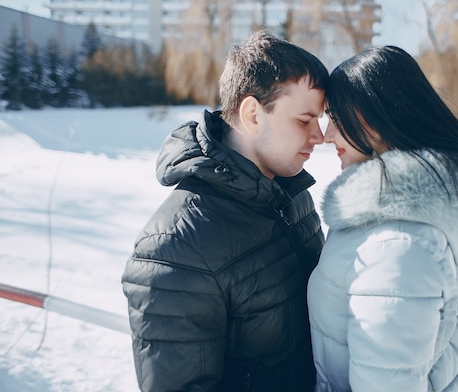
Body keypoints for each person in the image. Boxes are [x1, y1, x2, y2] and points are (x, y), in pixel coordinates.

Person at [307, 46, 458, 392]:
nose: (326, 135)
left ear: (370, 116)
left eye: (334, 116)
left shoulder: (394, 244)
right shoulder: (390, 223)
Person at [122, 30, 329, 392]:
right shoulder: (175, 248)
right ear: (253, 114)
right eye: (303, 120)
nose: (320, 136)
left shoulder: (292, 195)